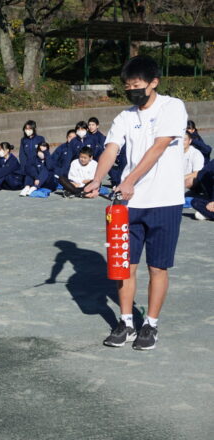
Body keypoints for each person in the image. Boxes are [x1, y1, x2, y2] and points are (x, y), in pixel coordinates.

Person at [84, 55, 188, 350]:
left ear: (154, 83)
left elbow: (158, 148)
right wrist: (96, 179)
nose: (132, 91)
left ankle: (150, 325)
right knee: (125, 265)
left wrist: (129, 181)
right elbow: (111, 150)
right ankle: (126, 322)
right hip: (129, 206)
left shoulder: (172, 107)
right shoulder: (125, 117)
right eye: (128, 87)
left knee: (158, 267)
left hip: (165, 201)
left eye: (137, 85)